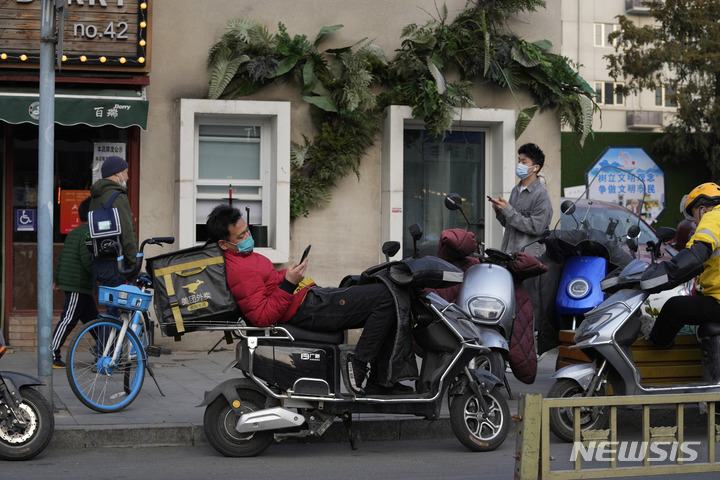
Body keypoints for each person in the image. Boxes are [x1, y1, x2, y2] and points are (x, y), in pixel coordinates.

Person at [206, 204, 405, 395]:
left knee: (387, 292)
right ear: (224, 243)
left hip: (308, 298)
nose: (248, 237)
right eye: (241, 236)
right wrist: (289, 283)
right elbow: (261, 316)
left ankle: (381, 381)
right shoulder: (239, 269)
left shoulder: (243, 257)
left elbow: (268, 282)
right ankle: (359, 364)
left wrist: (289, 274)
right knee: (386, 297)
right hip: (307, 309)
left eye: (247, 231)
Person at [488, 143, 554, 354]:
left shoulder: (541, 195)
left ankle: (528, 351)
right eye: (519, 160)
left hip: (528, 258)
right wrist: (500, 211)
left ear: (535, 167)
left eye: (523, 162)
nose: (519, 165)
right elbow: (510, 224)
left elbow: (536, 227)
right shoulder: (517, 190)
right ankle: (507, 350)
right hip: (509, 254)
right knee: (509, 304)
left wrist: (508, 212)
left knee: (527, 307)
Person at [642, 183, 720, 348]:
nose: (695, 223)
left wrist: (659, 275)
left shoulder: (714, 217)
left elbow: (695, 255)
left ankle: (657, 342)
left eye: (694, 215)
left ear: (703, 209)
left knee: (673, 307)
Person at [51, 197, 99, 368]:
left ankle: (103, 349)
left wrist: (57, 280)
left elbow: (62, 258)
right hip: (78, 285)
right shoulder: (88, 233)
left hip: (80, 286)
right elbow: (88, 261)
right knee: (68, 319)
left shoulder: (74, 232)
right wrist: (99, 275)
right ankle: (51, 353)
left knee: (94, 320)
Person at [89, 156, 137, 317]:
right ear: (118, 174)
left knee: (111, 309)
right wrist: (133, 262)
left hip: (100, 260)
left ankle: (104, 342)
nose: (128, 176)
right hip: (117, 262)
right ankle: (104, 343)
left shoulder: (95, 197)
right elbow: (127, 232)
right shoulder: (117, 196)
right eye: (126, 172)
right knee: (117, 311)